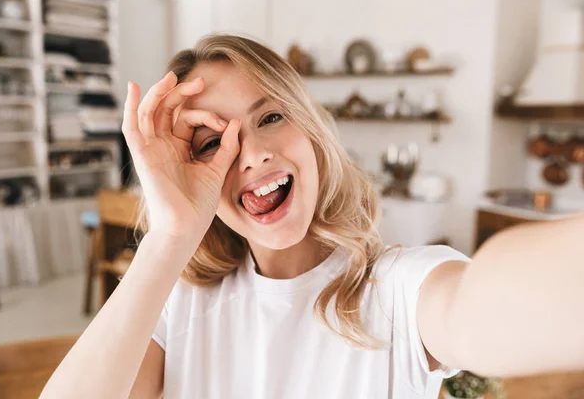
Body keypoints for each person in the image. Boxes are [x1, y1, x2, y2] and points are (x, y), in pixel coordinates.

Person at [40, 35, 584, 399]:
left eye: (270, 117)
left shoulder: (399, 291)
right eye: (211, 143)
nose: (251, 154)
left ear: (312, 131)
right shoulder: (175, 309)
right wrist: (171, 236)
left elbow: (486, 304)